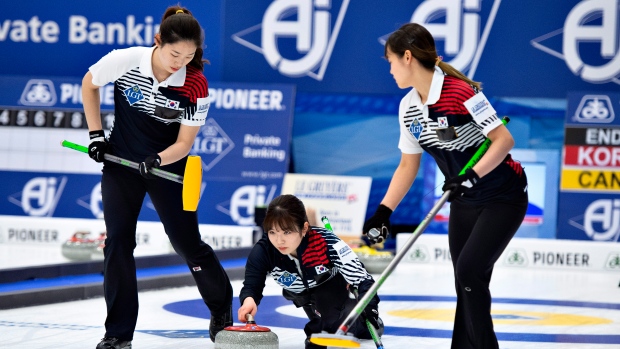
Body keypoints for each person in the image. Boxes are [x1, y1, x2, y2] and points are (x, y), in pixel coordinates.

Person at [363, 23, 528, 349]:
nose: (391, 70)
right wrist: (384, 212)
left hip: (503, 196)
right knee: (465, 282)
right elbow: (408, 166)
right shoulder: (408, 107)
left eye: (391, 61)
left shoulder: (460, 93)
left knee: (469, 273)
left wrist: (473, 175)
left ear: (407, 57)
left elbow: (503, 140)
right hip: (465, 201)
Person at [82, 5, 233, 349]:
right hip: (121, 163)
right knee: (118, 243)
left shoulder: (195, 84)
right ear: (158, 41)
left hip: (168, 166)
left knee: (187, 245)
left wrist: (158, 159)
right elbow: (89, 84)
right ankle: (118, 334)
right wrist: (95, 136)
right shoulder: (126, 60)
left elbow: (184, 143)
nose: (180, 61)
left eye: (189, 55)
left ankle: (221, 307)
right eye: (174, 53)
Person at [238, 194, 384, 349]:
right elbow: (251, 286)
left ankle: (362, 323)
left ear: (304, 228)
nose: (279, 241)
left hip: (331, 289)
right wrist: (249, 300)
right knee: (323, 327)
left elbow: (362, 278)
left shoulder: (327, 242)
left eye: (287, 232)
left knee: (336, 327)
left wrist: (370, 306)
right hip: (302, 295)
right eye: (272, 232)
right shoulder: (263, 250)